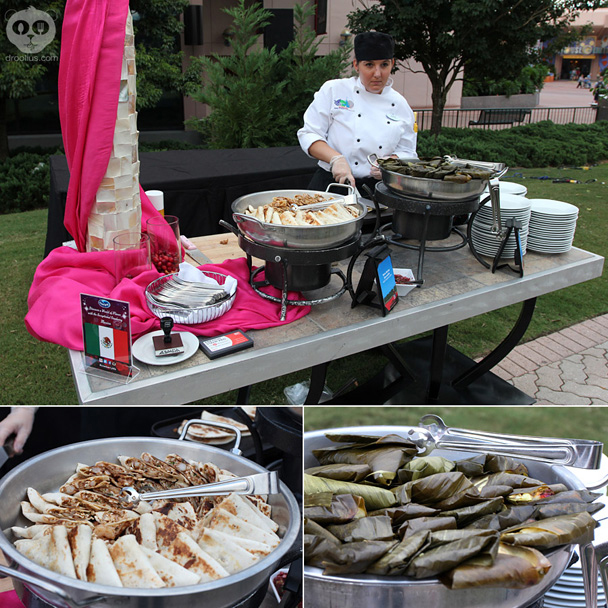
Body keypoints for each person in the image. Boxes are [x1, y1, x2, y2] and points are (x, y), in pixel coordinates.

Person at [297, 31, 417, 194]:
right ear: (356, 65)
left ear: (392, 64)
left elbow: (408, 151)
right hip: (331, 184)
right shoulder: (334, 90)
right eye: (369, 65)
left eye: (384, 65)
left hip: (377, 190)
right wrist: (336, 159)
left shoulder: (401, 104)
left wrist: (391, 164)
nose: (377, 73)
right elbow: (309, 134)